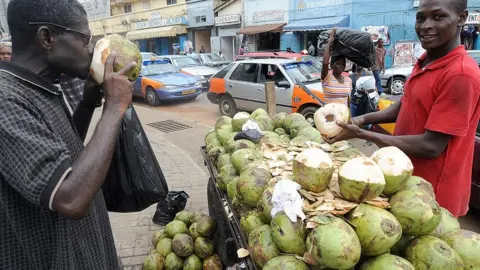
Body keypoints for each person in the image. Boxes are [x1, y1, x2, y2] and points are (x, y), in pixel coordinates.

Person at [0, 0, 137, 269]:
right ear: (47, 37)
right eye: (85, 39)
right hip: (54, 259)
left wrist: (87, 105)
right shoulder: (6, 100)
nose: (91, 49)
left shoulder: (43, 88)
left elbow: (67, 155)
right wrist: (113, 108)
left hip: (85, 251)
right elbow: (70, 198)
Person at [326, 0, 480, 217]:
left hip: (433, 197)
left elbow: (432, 146)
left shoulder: (460, 74)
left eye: (438, 17)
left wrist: (361, 134)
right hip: (403, 179)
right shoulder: (425, 62)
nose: (426, 25)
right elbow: (400, 109)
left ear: (461, 18)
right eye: (420, 18)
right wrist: (359, 120)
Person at [321, 29, 352, 106]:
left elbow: (348, 100)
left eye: (343, 64)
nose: (341, 66)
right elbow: (325, 62)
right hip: (330, 116)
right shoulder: (326, 78)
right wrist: (330, 41)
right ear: (332, 65)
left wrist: (350, 115)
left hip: (343, 117)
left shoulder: (348, 80)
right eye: (338, 63)